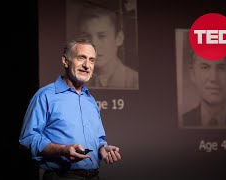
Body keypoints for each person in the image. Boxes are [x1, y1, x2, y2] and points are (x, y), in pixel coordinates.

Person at [19, 38, 122, 180]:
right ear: (65, 61)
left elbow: (98, 140)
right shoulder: (45, 96)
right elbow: (28, 139)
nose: (87, 65)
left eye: (91, 60)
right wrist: (63, 150)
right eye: (81, 58)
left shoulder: (90, 100)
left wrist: (102, 149)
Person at [74, 2, 139, 89]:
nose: (94, 45)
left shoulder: (134, 81)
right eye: (87, 37)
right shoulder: (72, 82)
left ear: (119, 38)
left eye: (102, 36)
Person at [182, 51, 226, 128]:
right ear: (192, 74)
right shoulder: (184, 120)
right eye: (205, 67)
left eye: (221, 68)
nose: (213, 78)